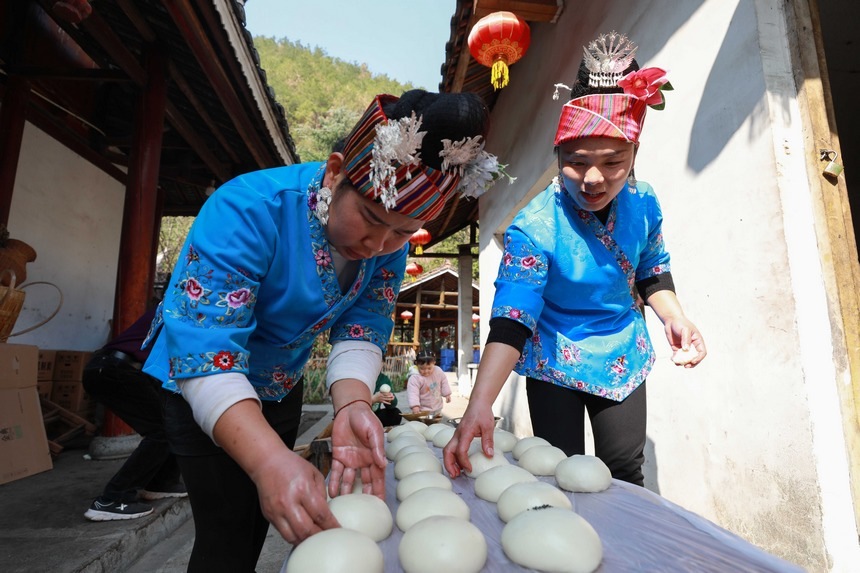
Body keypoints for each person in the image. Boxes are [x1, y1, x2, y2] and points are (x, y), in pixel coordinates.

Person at [141, 89, 507, 571]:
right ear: (336, 173)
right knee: (226, 533)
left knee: (259, 523)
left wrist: (353, 403)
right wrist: (269, 460)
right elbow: (207, 353)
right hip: (202, 387)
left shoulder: (386, 244)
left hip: (280, 385)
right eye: (371, 220)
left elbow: (365, 322)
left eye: (402, 231)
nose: (379, 244)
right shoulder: (247, 210)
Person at [443, 32, 707, 487]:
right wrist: (480, 404)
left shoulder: (644, 205)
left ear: (634, 154)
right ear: (557, 153)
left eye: (613, 161)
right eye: (577, 160)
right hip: (554, 356)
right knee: (561, 471)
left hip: (621, 350)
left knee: (624, 470)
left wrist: (675, 318)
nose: (593, 178)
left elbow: (652, 272)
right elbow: (512, 319)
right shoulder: (536, 226)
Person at [82, 307, 186, 521]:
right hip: (117, 369)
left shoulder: (185, 299)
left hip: (116, 368)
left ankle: (161, 482)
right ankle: (113, 498)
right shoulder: (189, 303)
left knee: (173, 422)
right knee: (162, 430)